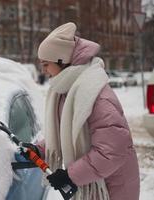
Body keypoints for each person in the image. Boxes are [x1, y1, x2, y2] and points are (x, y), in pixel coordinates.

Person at [36, 22, 140, 200]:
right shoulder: (67, 90)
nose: (43, 70)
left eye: (46, 64)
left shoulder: (96, 95)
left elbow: (111, 151)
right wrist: (40, 149)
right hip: (94, 185)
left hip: (112, 189)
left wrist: (70, 175)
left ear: (62, 61)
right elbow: (66, 131)